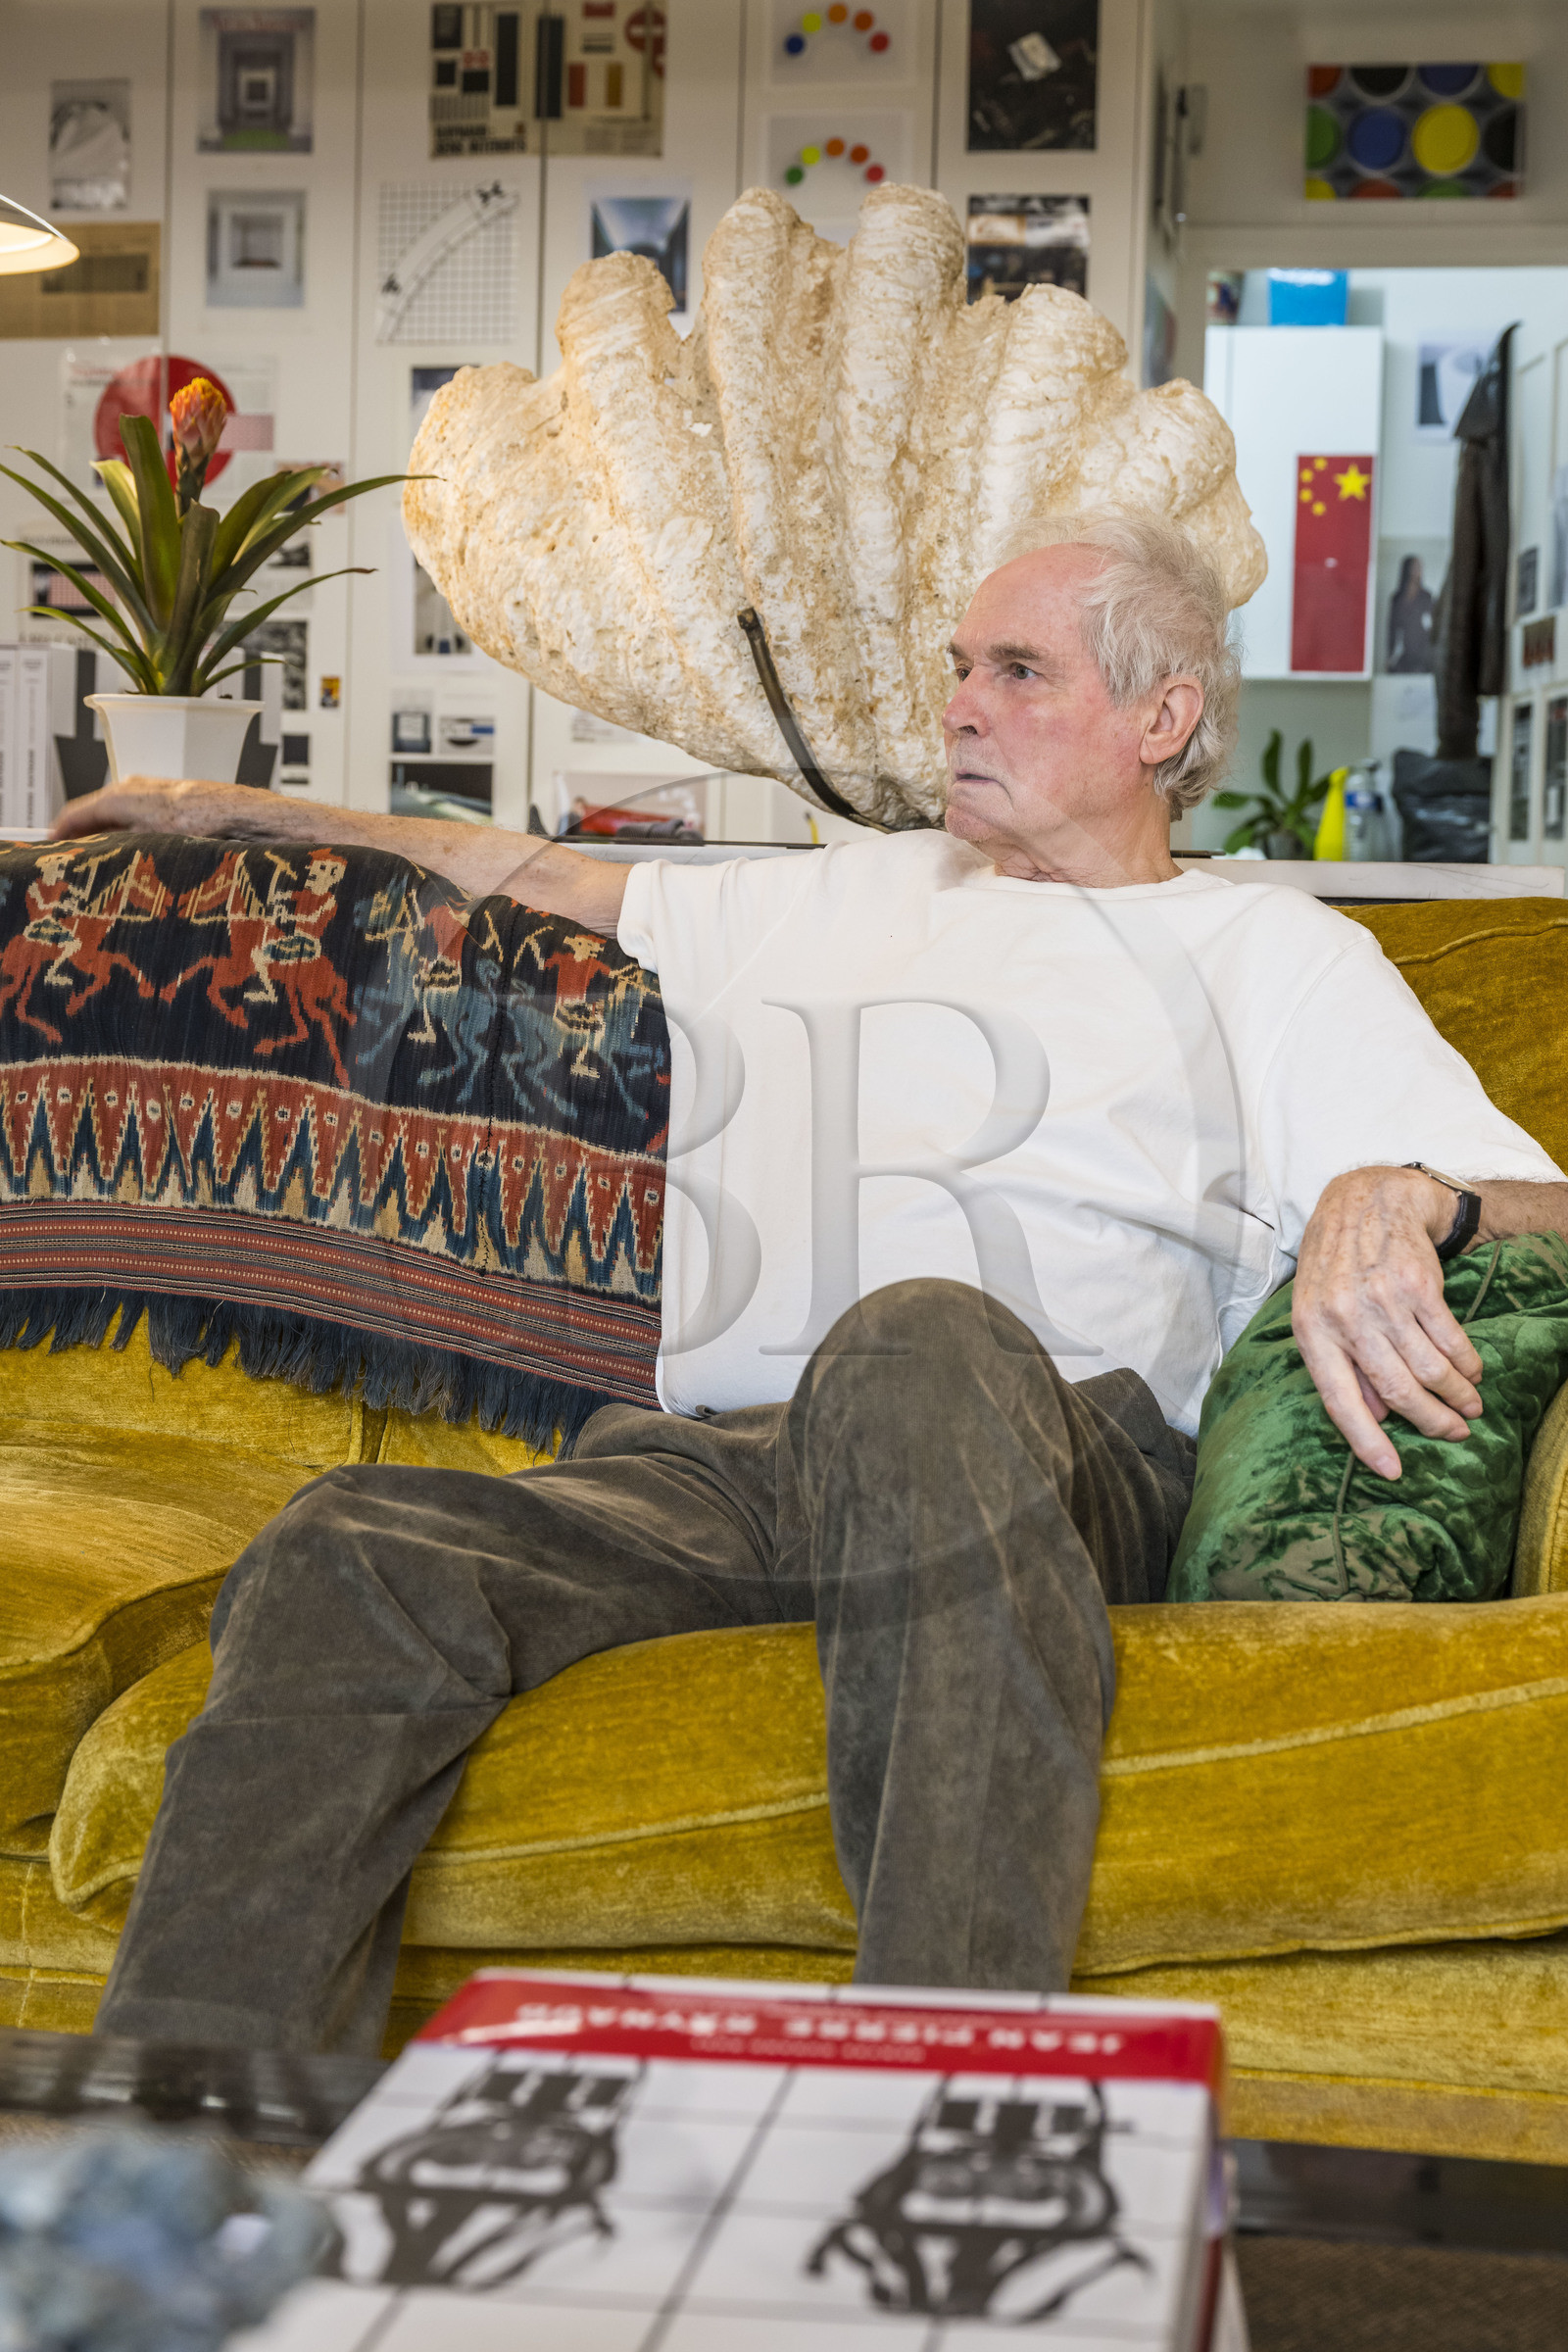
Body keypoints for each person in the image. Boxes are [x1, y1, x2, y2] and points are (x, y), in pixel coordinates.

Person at [51, 511, 1568, 2054]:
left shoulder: (1265, 946)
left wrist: (1408, 1188)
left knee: (913, 1346)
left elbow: (1549, 1207)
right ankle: (179, 2172)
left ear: (1160, 719)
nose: (961, 703)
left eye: (1019, 671)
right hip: (726, 1473)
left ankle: (943, 2107)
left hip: (1042, 1452)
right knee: (351, 1543)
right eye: (961, 667)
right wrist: (203, 809)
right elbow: (509, 871)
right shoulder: (846, 890)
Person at [1386, 554, 1436, 674]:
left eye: (1420, 567)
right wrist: (1389, 654)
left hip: (1422, 650)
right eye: (1416, 567)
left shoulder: (1426, 596)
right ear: (1408, 569)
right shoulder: (1397, 598)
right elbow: (1392, 628)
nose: (1419, 570)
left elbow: (1431, 625)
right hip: (1405, 650)